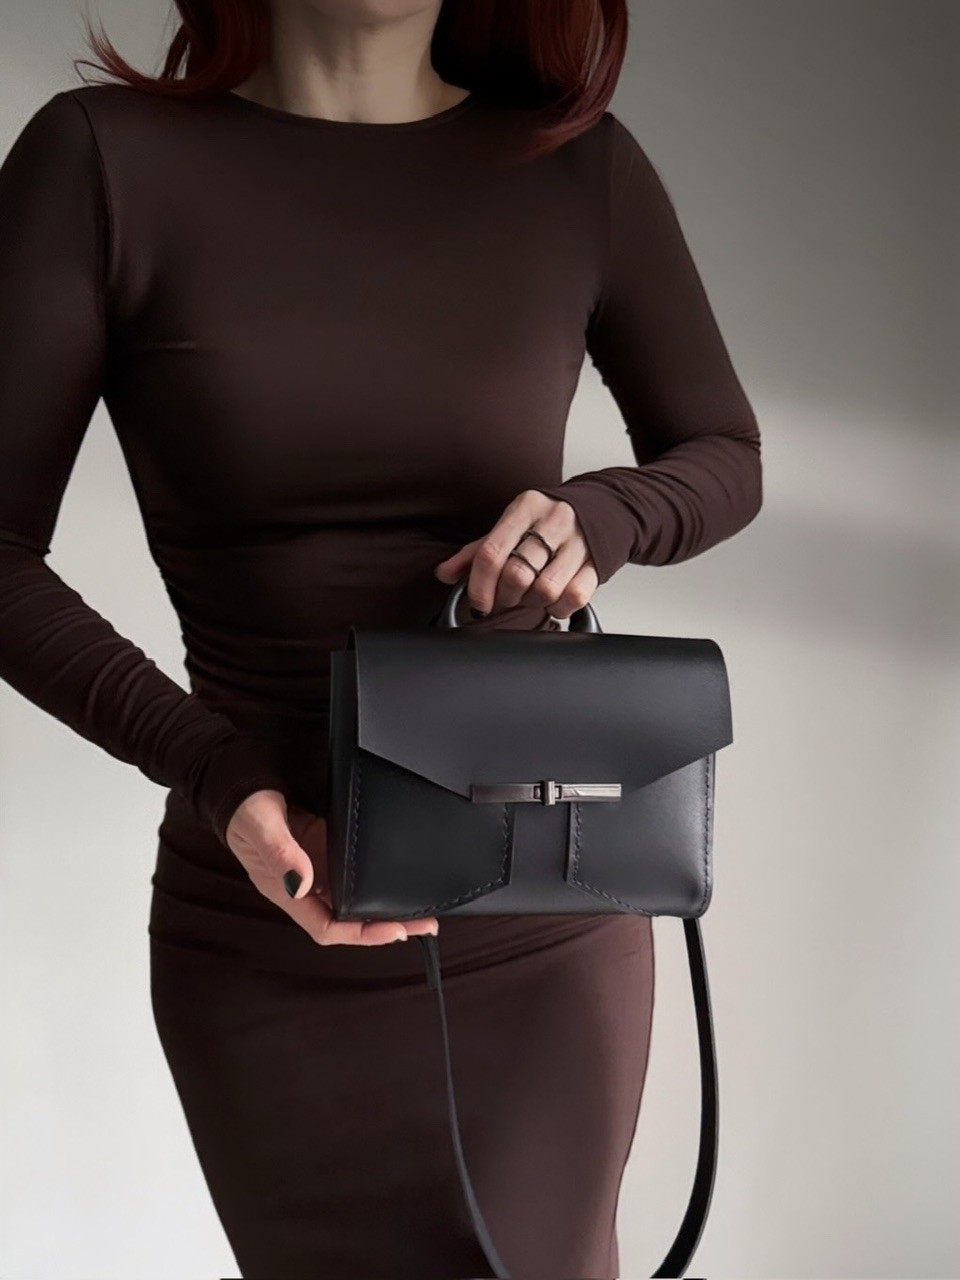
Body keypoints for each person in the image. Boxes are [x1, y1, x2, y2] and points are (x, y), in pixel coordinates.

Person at [0, 1, 762, 1276]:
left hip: (535, 909)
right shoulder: (100, 160)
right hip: (268, 909)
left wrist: (600, 514)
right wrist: (217, 770)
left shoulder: (575, 164)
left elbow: (723, 451)